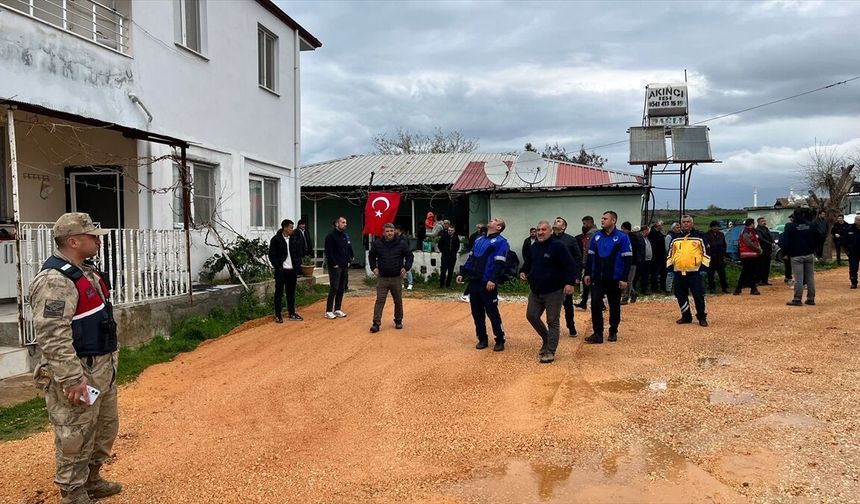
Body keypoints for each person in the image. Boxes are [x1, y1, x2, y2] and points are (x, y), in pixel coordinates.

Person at [29, 213, 123, 504]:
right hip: (77, 372)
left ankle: (92, 480)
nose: (97, 240)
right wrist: (72, 378)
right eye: (91, 236)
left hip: (100, 370)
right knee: (75, 433)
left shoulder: (86, 272)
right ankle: (72, 492)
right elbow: (52, 334)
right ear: (73, 241)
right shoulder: (54, 281)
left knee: (104, 427)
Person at [520, 220, 577, 363]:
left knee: (552, 321)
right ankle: (546, 338)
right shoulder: (535, 247)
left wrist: (570, 283)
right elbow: (528, 263)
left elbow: (570, 265)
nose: (540, 232)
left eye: (543, 229)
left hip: (554, 291)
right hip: (536, 290)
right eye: (538, 230)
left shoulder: (558, 246)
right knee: (531, 316)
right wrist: (523, 271)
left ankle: (550, 351)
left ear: (550, 231)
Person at [456, 217, 509, 351]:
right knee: (477, 313)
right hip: (474, 282)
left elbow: (500, 264)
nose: (492, 220)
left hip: (488, 283)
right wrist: (463, 273)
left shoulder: (501, 242)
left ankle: (500, 339)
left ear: (499, 227)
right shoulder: (479, 240)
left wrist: (493, 279)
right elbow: (471, 259)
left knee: (492, 312)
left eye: (496, 220)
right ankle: (482, 338)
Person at [583, 211, 632, 344]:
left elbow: (627, 259)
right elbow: (590, 257)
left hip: (615, 278)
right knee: (595, 303)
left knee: (614, 305)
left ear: (613, 221)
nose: (602, 220)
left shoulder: (622, 237)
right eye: (602, 218)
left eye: (605, 218)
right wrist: (587, 273)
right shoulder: (596, 236)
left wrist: (624, 278)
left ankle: (613, 330)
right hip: (597, 278)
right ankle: (598, 333)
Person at [368, 223, 414, 332]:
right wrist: (373, 267)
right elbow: (371, 256)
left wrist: (406, 268)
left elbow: (409, 256)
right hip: (382, 278)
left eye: (391, 231)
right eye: (387, 231)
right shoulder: (378, 244)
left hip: (396, 277)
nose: (389, 233)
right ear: (383, 233)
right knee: (380, 301)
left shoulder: (401, 243)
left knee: (398, 301)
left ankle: (398, 320)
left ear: (395, 232)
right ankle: (376, 323)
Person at [666, 215, 710, 327]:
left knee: (698, 295)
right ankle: (686, 316)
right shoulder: (675, 238)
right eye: (684, 222)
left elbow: (706, 254)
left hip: (695, 273)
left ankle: (701, 317)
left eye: (688, 222)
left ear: (692, 223)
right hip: (679, 273)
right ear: (681, 224)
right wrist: (670, 269)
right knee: (680, 295)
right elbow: (670, 254)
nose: (686, 224)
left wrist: (703, 268)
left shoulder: (700, 237)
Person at [782, 209, 820, 305]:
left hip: (796, 255)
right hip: (809, 254)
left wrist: (785, 253)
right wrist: (814, 249)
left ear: (794, 216)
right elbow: (819, 238)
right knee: (810, 278)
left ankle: (797, 299)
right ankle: (811, 299)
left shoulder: (790, 226)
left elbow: (785, 241)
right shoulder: (811, 225)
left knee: (798, 278)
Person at [552, 217, 583, 336]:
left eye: (559, 221)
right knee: (552, 304)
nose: (555, 221)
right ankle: (554, 328)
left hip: (566, 277)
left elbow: (578, 258)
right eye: (555, 220)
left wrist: (576, 275)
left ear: (564, 227)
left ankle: (571, 326)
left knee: (567, 304)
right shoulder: (548, 239)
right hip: (552, 277)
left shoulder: (570, 240)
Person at [268, 219, 303, 323]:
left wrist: (297, 264)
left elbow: (297, 252)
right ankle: (278, 315)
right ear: (285, 228)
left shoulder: (294, 238)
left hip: (292, 270)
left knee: (291, 292)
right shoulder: (276, 239)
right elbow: (272, 255)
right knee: (279, 292)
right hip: (281, 270)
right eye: (291, 227)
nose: (292, 229)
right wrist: (278, 266)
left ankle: (291, 313)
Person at [324, 216, 352, 319]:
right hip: (335, 266)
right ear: (337, 224)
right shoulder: (330, 236)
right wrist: (333, 263)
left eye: (345, 222)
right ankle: (328, 311)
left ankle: (337, 309)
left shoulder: (344, 236)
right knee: (334, 288)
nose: (345, 224)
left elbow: (347, 249)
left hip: (344, 265)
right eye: (343, 222)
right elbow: (329, 251)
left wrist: (348, 260)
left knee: (341, 288)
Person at [734, 218, 762, 295]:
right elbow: (749, 243)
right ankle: (740, 288)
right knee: (747, 272)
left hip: (751, 255)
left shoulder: (750, 231)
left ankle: (750, 288)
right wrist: (758, 250)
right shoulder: (746, 232)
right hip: (747, 254)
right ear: (752, 224)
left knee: (749, 272)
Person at [574, 216, 597, 309]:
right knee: (586, 282)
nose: (583, 226)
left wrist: (585, 262)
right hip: (589, 262)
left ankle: (599, 304)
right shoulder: (590, 233)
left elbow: (588, 250)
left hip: (591, 262)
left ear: (589, 223)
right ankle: (584, 302)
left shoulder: (592, 234)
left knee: (590, 282)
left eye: (584, 223)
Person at [460, 223, 487, 302]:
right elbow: (472, 248)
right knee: (474, 279)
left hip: (482, 262)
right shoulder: (476, 238)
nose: (478, 229)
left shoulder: (486, 239)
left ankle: (490, 294)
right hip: (475, 261)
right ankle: (466, 294)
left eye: (480, 228)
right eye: (478, 228)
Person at [703, 220, 729, 294]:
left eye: (717, 226)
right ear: (710, 227)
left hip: (720, 258)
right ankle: (712, 288)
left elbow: (724, 244)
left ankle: (724, 288)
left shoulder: (721, 234)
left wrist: (724, 254)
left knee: (722, 274)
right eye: (713, 226)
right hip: (711, 258)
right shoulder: (706, 235)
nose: (715, 228)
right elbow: (706, 246)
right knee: (710, 275)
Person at [620, 222, 642, 304]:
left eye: (622, 229)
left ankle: (625, 297)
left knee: (628, 280)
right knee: (627, 280)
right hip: (628, 261)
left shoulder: (631, 238)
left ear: (625, 229)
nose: (621, 230)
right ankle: (633, 293)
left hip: (632, 262)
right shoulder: (631, 237)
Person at [438, 224, 460, 288]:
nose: (450, 231)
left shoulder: (456, 237)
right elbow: (440, 245)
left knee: (450, 271)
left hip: (452, 257)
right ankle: (441, 285)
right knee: (443, 271)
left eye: (451, 230)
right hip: (445, 256)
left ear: (454, 231)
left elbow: (457, 246)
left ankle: (448, 285)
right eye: (449, 230)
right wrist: (443, 251)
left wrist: (454, 251)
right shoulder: (444, 236)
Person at [648, 220, 667, 294]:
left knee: (662, 273)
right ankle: (655, 288)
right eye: (661, 225)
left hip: (661, 256)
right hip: (656, 257)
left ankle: (662, 287)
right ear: (658, 226)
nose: (662, 227)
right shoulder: (653, 233)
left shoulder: (659, 233)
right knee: (655, 273)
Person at [394, 226, 414, 290]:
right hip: (399, 255)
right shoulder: (397, 237)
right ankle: (401, 284)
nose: (394, 231)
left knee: (407, 269)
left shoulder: (404, 237)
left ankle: (410, 284)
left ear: (398, 230)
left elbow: (406, 247)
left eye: (395, 229)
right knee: (400, 269)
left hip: (405, 254)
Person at [755, 217, 774, 285]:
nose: (764, 222)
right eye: (762, 221)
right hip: (762, 250)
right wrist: (770, 243)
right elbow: (761, 239)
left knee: (767, 265)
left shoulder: (766, 229)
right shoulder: (757, 230)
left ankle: (765, 280)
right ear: (759, 222)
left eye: (764, 221)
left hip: (768, 250)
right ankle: (759, 280)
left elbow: (771, 236)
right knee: (761, 265)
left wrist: (773, 242)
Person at [844, 214, 860, 288]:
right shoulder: (849, 229)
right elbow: (845, 241)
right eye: (858, 220)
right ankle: (853, 282)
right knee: (853, 268)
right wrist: (847, 251)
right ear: (855, 220)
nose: (859, 221)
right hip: (853, 253)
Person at [638, 226, 653, 295]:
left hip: (648, 260)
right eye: (648, 231)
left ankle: (644, 289)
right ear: (644, 230)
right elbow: (639, 249)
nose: (649, 232)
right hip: (642, 260)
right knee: (640, 275)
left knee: (646, 276)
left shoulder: (647, 238)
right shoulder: (640, 238)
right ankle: (639, 289)